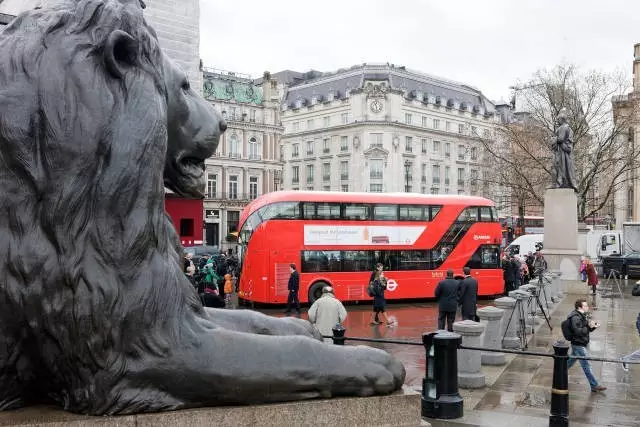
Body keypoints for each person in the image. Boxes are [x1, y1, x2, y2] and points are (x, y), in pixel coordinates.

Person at [566, 299, 607, 392]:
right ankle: (594, 385)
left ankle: (559, 371)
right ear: (579, 307)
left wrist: (592, 327)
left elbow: (585, 329)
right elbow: (578, 332)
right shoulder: (575, 317)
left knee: (571, 361)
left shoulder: (581, 315)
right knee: (586, 365)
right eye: (585, 306)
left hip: (579, 343)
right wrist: (589, 327)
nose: (587, 307)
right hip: (578, 344)